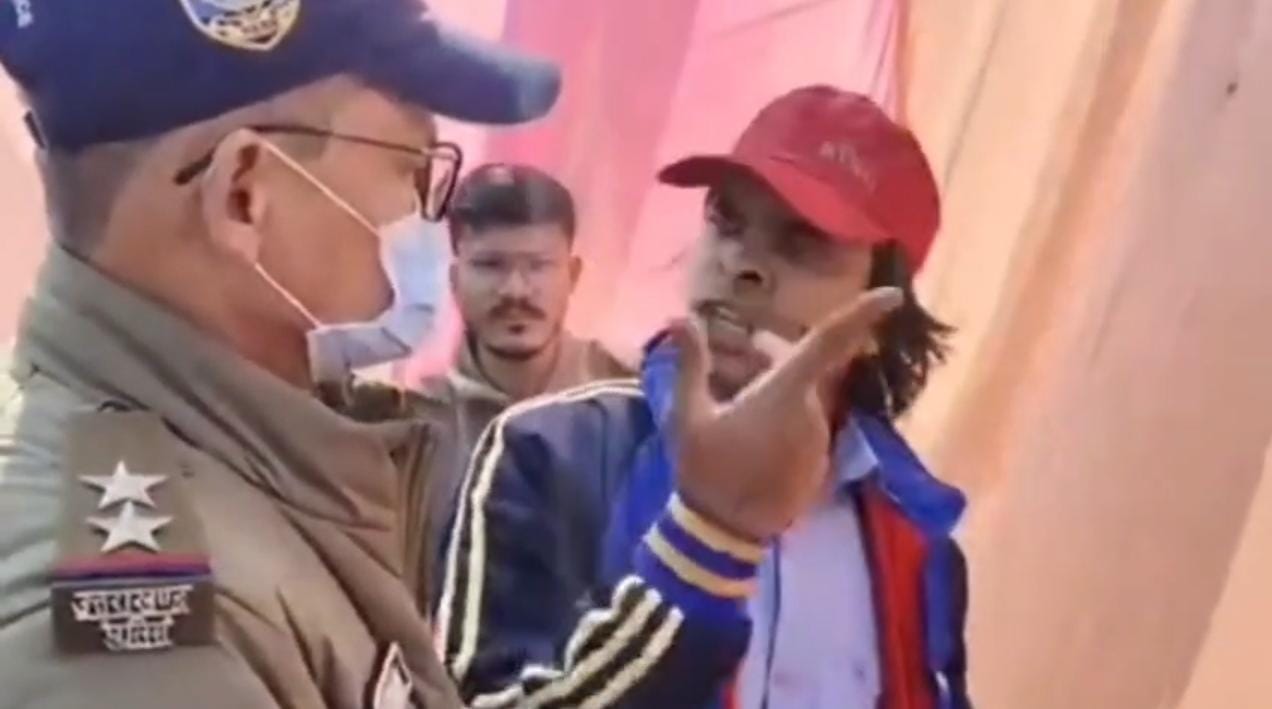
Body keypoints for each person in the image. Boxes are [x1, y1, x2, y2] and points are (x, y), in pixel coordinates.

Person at [0, 0, 566, 706]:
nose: (431, 222)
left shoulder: (227, 454)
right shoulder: (142, 648)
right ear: (244, 196)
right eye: (415, 172)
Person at [434, 86, 972, 708]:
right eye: (725, 221)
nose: (742, 264)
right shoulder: (551, 454)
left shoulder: (917, 538)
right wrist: (707, 543)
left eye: (802, 243)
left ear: (881, 318)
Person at [406, 163, 630, 609]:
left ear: (573, 275)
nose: (516, 290)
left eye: (539, 266)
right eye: (490, 266)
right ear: (454, 280)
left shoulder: (631, 403)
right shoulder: (413, 428)